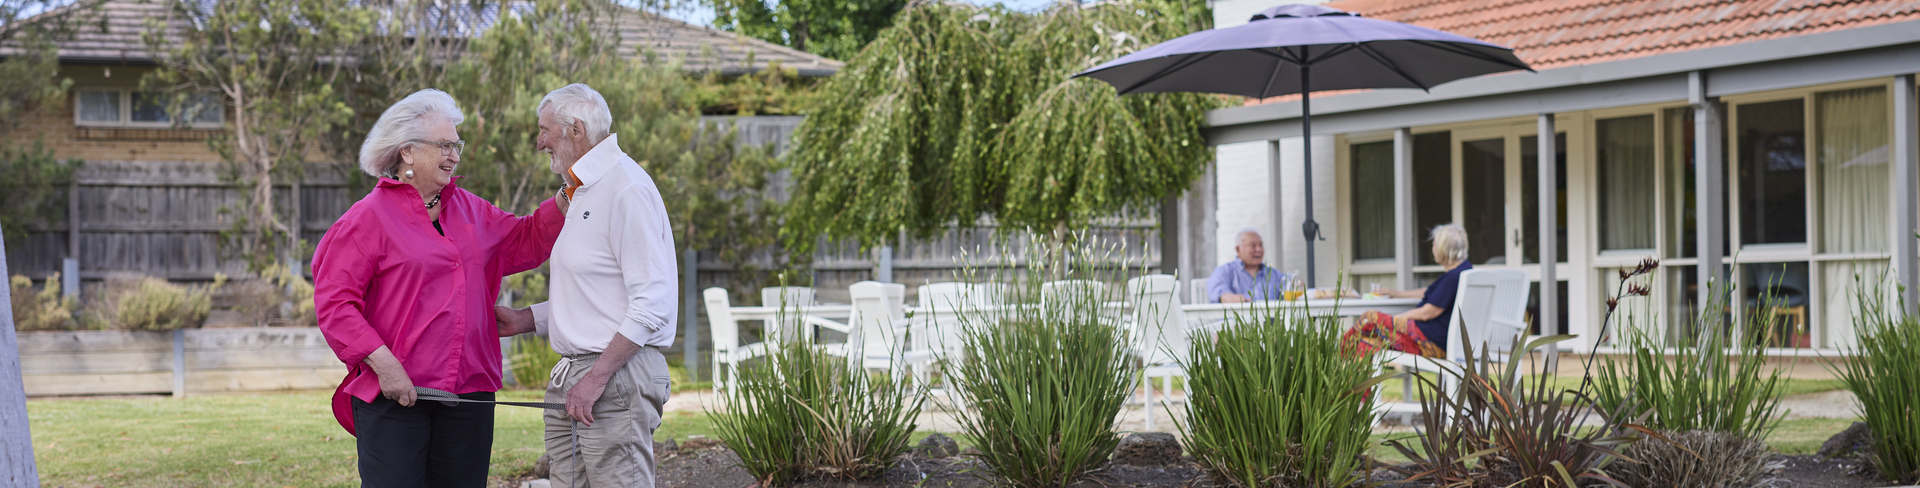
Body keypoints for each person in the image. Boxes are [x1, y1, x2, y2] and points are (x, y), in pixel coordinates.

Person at [311, 88, 566, 487]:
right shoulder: (365, 220)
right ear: (407, 151)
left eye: (456, 145)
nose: (455, 155)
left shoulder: (471, 209)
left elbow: (527, 240)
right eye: (445, 145)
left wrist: (570, 193)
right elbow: (335, 304)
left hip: (469, 392)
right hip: (397, 393)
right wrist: (385, 365)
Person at [495, 84, 678, 488]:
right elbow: (599, 290)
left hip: (613, 375)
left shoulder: (625, 188)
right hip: (581, 375)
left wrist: (595, 378)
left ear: (575, 129)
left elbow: (652, 303)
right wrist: (525, 319)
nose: (540, 141)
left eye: (545, 130)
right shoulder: (581, 190)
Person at [1342, 223, 1472, 358]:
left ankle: (1336, 355)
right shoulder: (1464, 271)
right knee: (1367, 344)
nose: (1433, 248)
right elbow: (1431, 292)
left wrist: (1394, 320)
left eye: (1434, 245)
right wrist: (1396, 294)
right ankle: (1355, 372)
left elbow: (1426, 313)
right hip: (1442, 342)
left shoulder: (1452, 277)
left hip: (1429, 344)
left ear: (1444, 249)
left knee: (1370, 318)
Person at [1205, 228, 1294, 303]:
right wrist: (1232, 299)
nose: (1258, 250)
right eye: (1252, 246)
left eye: (1261, 245)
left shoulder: (1274, 274)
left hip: (1269, 324)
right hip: (1235, 323)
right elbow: (1220, 292)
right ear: (1238, 249)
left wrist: (1296, 285)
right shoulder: (1225, 271)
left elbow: (1291, 288)